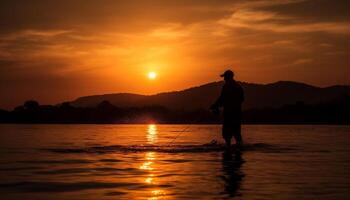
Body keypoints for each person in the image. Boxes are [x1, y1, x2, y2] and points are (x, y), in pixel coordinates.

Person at [211, 70, 244, 150]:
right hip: (237, 114)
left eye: (225, 77)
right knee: (236, 133)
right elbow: (241, 99)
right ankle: (238, 148)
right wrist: (216, 105)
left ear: (229, 77)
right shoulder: (238, 87)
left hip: (230, 114)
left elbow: (222, 98)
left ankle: (228, 148)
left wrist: (215, 105)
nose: (224, 79)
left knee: (227, 134)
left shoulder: (227, 86)